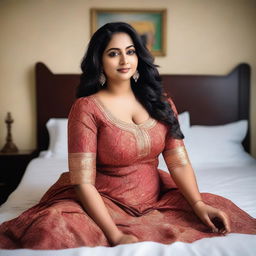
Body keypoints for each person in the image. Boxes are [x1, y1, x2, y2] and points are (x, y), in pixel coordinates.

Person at [0, 22, 255, 249]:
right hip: (102, 199)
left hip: (157, 197)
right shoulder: (87, 108)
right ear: (99, 60)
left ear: (139, 56)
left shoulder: (162, 103)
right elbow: (83, 183)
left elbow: (178, 162)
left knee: (217, 213)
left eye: (130, 51)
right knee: (52, 227)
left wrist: (198, 205)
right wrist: (115, 235)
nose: (124, 60)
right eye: (113, 53)